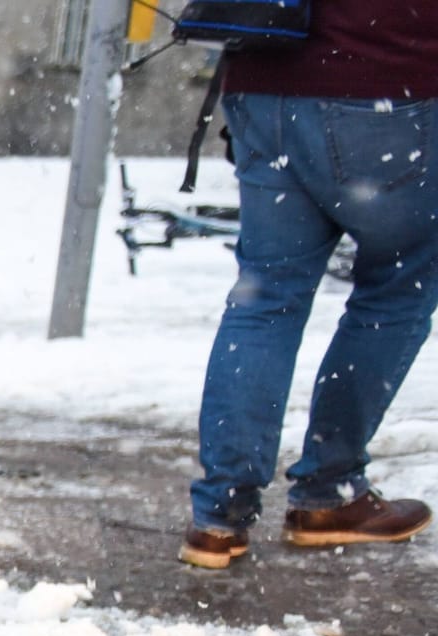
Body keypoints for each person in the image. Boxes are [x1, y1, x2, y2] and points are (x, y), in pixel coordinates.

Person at [179, 0, 438, 569]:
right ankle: (329, 490)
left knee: (265, 296)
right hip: (384, 84)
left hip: (263, 82)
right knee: (398, 290)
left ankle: (219, 516)